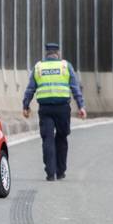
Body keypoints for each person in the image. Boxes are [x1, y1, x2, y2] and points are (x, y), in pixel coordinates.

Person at [22, 43, 87, 181]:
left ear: (46, 53)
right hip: (62, 108)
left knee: (48, 139)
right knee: (62, 138)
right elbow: (75, 88)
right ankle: (60, 171)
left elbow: (30, 89)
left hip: (45, 109)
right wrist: (81, 106)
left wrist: (25, 106)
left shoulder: (38, 67)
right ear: (58, 52)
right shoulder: (65, 66)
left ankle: (50, 173)